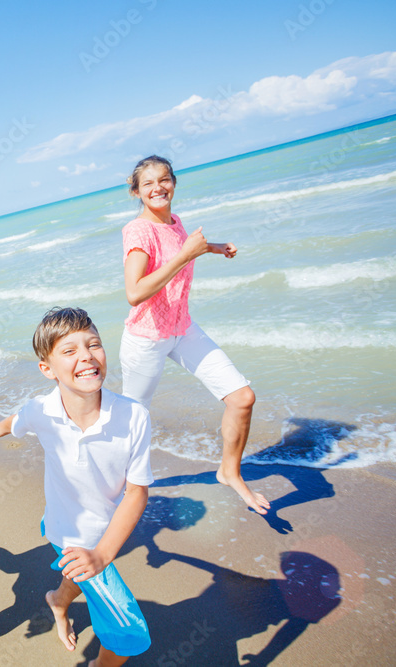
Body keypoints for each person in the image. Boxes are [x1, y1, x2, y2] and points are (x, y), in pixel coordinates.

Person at [0, 307, 152, 667]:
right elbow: (19, 419)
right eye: (70, 350)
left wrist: (102, 553)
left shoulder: (133, 416)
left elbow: (137, 492)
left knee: (82, 570)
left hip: (104, 537)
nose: (87, 356)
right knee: (127, 636)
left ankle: (58, 600)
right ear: (47, 369)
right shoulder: (42, 410)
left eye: (94, 345)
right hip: (66, 530)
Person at [119, 155, 271, 515]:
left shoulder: (175, 222)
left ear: (173, 181)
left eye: (164, 180)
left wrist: (212, 247)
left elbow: (179, 253)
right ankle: (115, 490)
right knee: (133, 422)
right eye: (148, 184)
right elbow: (135, 292)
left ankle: (228, 472)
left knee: (242, 398)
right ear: (137, 192)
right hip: (147, 337)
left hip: (182, 327)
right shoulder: (138, 231)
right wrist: (187, 253)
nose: (158, 188)